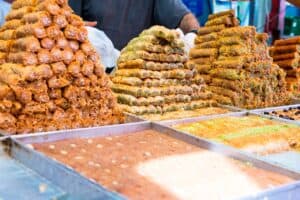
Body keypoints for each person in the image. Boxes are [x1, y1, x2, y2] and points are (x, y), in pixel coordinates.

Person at [69, 0, 200, 50]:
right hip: (91, 74)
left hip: (138, 75)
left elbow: (185, 17)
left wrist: (193, 34)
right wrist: (74, 28)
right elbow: (64, 20)